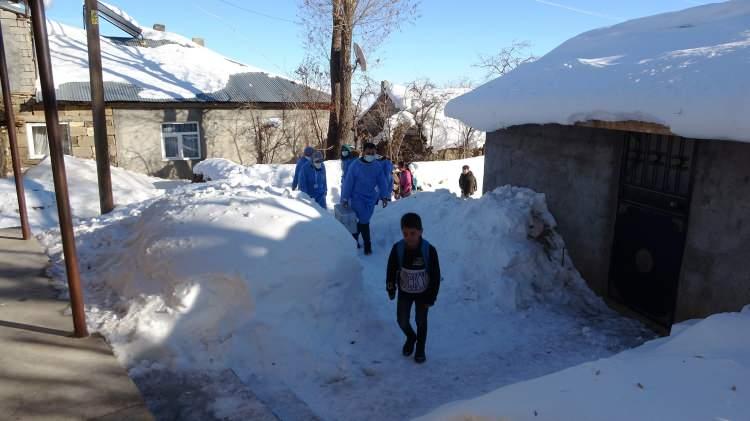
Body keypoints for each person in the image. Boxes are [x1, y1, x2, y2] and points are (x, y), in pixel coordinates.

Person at [386, 213, 441, 364]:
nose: (409, 237)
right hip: (405, 292)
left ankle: (420, 348)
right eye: (405, 233)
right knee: (402, 320)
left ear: (421, 232)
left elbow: (435, 276)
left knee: (421, 321)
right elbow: (391, 270)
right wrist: (391, 288)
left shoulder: (429, 250)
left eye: (413, 233)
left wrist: (431, 297)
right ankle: (411, 336)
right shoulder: (398, 249)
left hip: (423, 294)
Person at [341, 142, 390, 255]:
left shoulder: (376, 166)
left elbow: (382, 182)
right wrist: (345, 198)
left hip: (370, 199)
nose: (371, 155)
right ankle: (367, 244)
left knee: (363, 221)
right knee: (364, 221)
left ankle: (354, 240)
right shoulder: (355, 165)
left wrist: (385, 196)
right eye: (368, 153)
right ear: (363, 152)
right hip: (357, 198)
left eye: (373, 153)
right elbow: (349, 183)